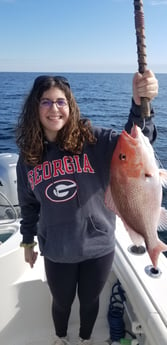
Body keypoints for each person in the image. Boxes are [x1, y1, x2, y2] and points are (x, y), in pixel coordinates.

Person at [16, 70, 158, 345]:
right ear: (35, 107)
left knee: (90, 301)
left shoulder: (93, 140)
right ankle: (61, 338)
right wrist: (26, 241)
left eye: (61, 102)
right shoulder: (28, 157)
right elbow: (28, 204)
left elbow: (136, 141)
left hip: (98, 247)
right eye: (45, 101)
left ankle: (84, 339)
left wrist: (140, 104)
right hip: (57, 249)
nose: (54, 108)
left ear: (70, 105)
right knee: (61, 302)